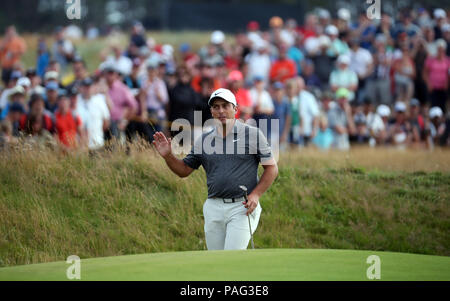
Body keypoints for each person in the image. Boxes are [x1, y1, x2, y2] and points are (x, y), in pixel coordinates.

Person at [152, 88, 278, 250]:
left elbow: (272, 168)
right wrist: (168, 156)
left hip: (242, 206)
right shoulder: (204, 139)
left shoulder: (252, 134)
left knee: (232, 260)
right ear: (211, 111)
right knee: (216, 264)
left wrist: (256, 194)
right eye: (216, 107)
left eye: (226, 106)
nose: (221, 111)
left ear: (235, 109)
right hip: (213, 207)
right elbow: (184, 170)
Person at [75, 78, 110, 151]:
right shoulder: (76, 100)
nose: (87, 89)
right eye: (85, 87)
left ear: (93, 87)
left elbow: (106, 122)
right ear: (81, 88)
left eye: (89, 87)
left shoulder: (100, 100)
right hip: (79, 145)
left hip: (97, 143)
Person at [423, 39, 450, 113]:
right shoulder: (430, 60)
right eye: (439, 50)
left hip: (443, 88)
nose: (441, 52)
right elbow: (425, 73)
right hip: (433, 87)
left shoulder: (448, 61)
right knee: (433, 106)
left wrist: (447, 83)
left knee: (443, 106)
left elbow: (448, 74)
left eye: (442, 50)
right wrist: (428, 83)